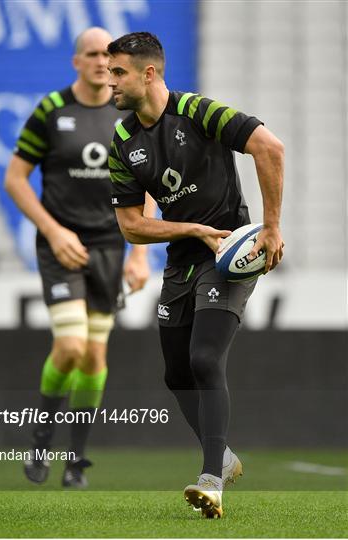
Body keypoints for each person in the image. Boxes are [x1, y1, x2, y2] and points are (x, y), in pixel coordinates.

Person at [107, 32, 284, 518]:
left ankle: (211, 478)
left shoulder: (199, 111)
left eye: (118, 72)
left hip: (228, 252)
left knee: (205, 358)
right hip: (183, 257)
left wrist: (270, 228)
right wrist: (191, 228)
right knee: (176, 373)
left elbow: (268, 147)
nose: (110, 81)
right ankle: (223, 456)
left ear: (150, 73)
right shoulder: (123, 140)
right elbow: (131, 226)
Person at [4, 27, 153, 488]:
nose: (100, 61)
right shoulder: (51, 111)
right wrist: (53, 229)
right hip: (61, 245)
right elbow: (15, 178)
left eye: (107, 55)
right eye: (91, 54)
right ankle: (40, 441)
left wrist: (139, 254)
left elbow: (147, 183)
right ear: (76, 62)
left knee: (93, 358)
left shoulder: (127, 110)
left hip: (111, 246)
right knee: (69, 347)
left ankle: (75, 463)